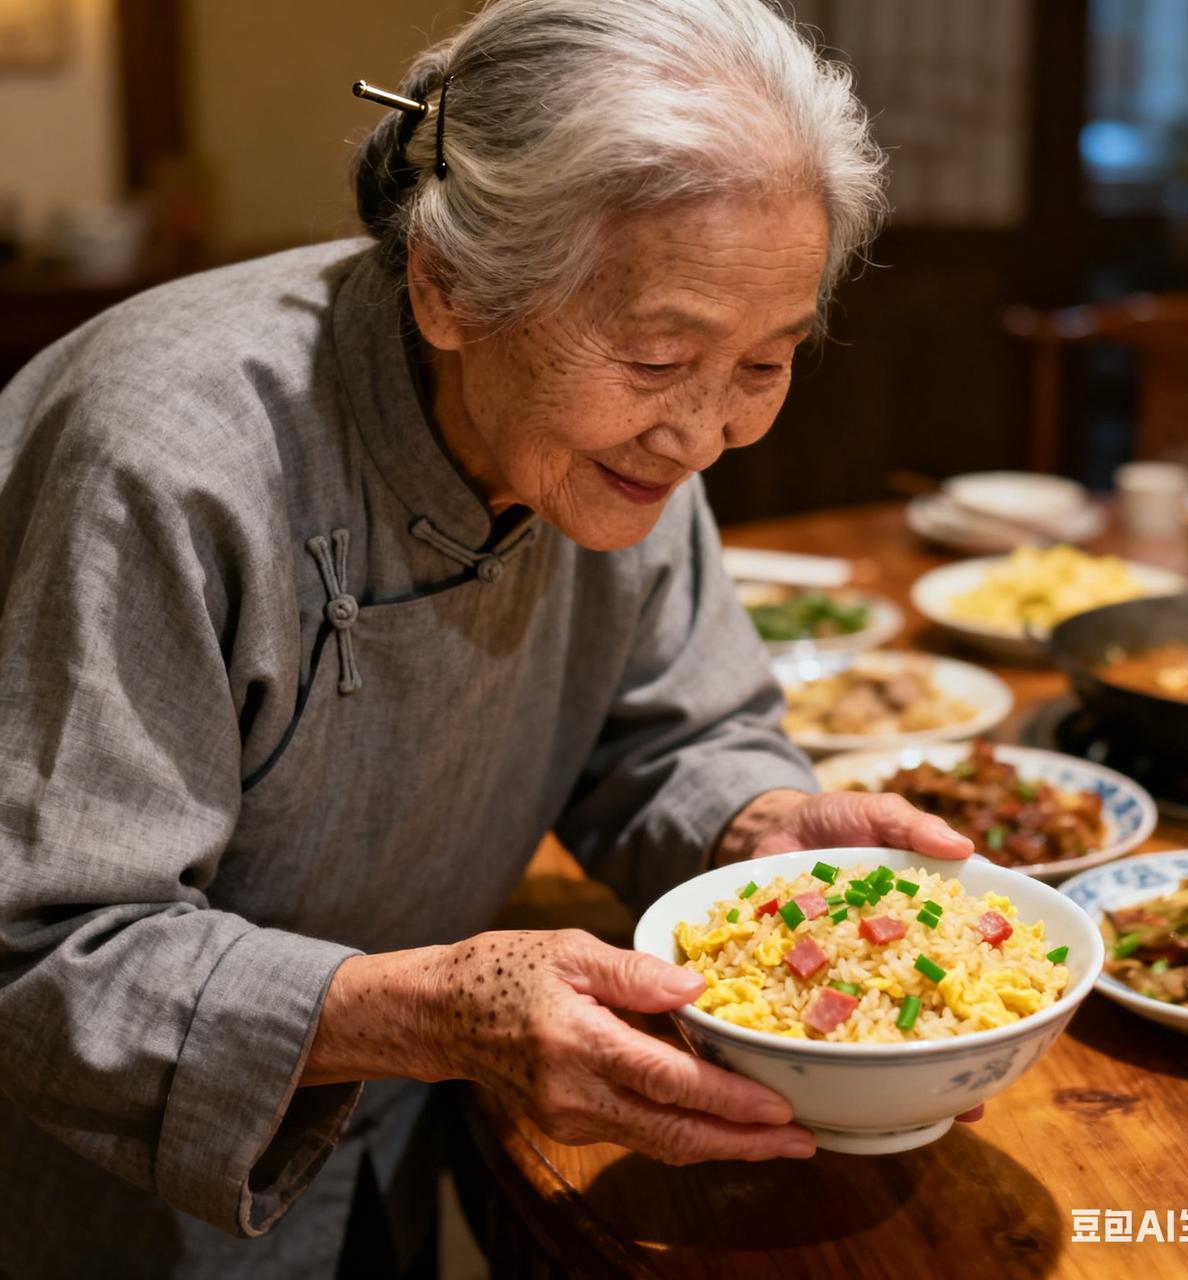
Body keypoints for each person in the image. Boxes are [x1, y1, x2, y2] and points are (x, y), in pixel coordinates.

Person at [0, 1, 973, 1276]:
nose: (702, 434)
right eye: (655, 353)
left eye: (762, 363)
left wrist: (752, 824)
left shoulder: (624, 442)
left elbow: (674, 730)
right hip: (103, 1198)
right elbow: (45, 948)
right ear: (447, 283)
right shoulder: (168, 457)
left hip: (395, 1131)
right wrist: (435, 1011)